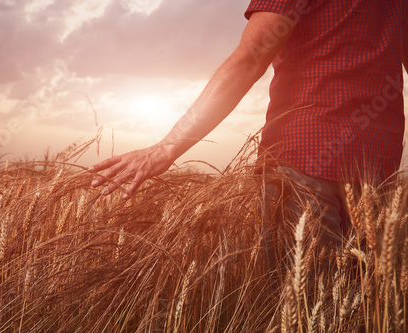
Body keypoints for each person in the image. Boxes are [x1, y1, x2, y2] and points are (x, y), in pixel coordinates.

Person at [89, 0, 408, 256]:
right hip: (379, 164)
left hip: (304, 158)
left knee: (301, 309)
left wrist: (168, 147)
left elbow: (252, 55)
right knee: (365, 308)